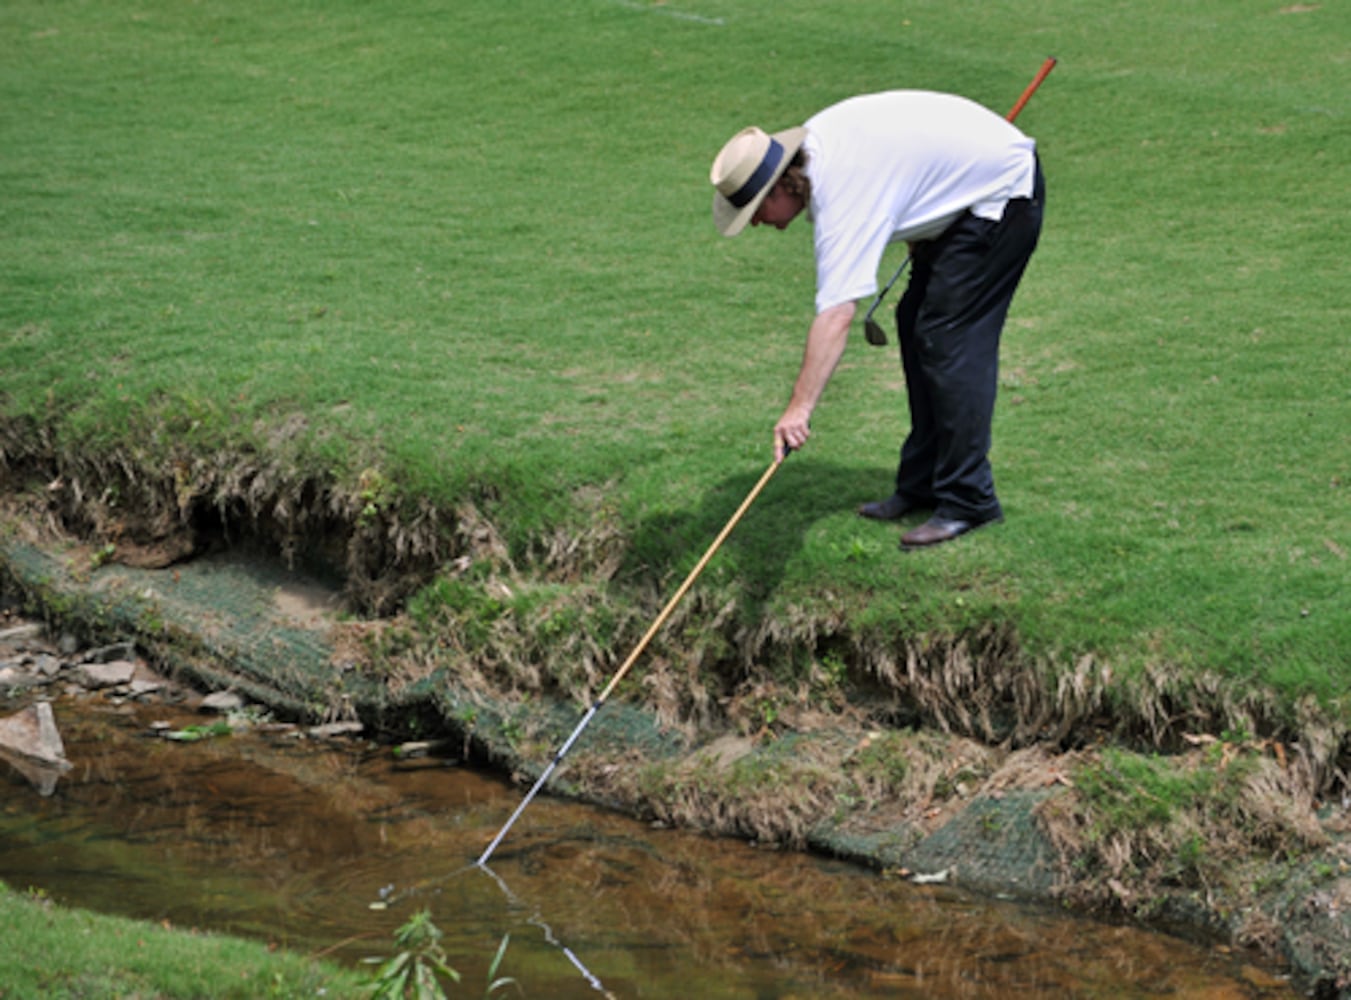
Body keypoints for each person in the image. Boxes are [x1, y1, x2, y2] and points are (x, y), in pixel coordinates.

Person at [708, 90, 1044, 550]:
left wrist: (799, 408)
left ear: (783, 185)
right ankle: (922, 483)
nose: (755, 224)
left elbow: (836, 315)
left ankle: (969, 501)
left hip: (1000, 198)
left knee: (948, 338)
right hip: (961, 198)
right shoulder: (817, 159)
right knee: (914, 322)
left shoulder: (839, 192)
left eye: (756, 212)